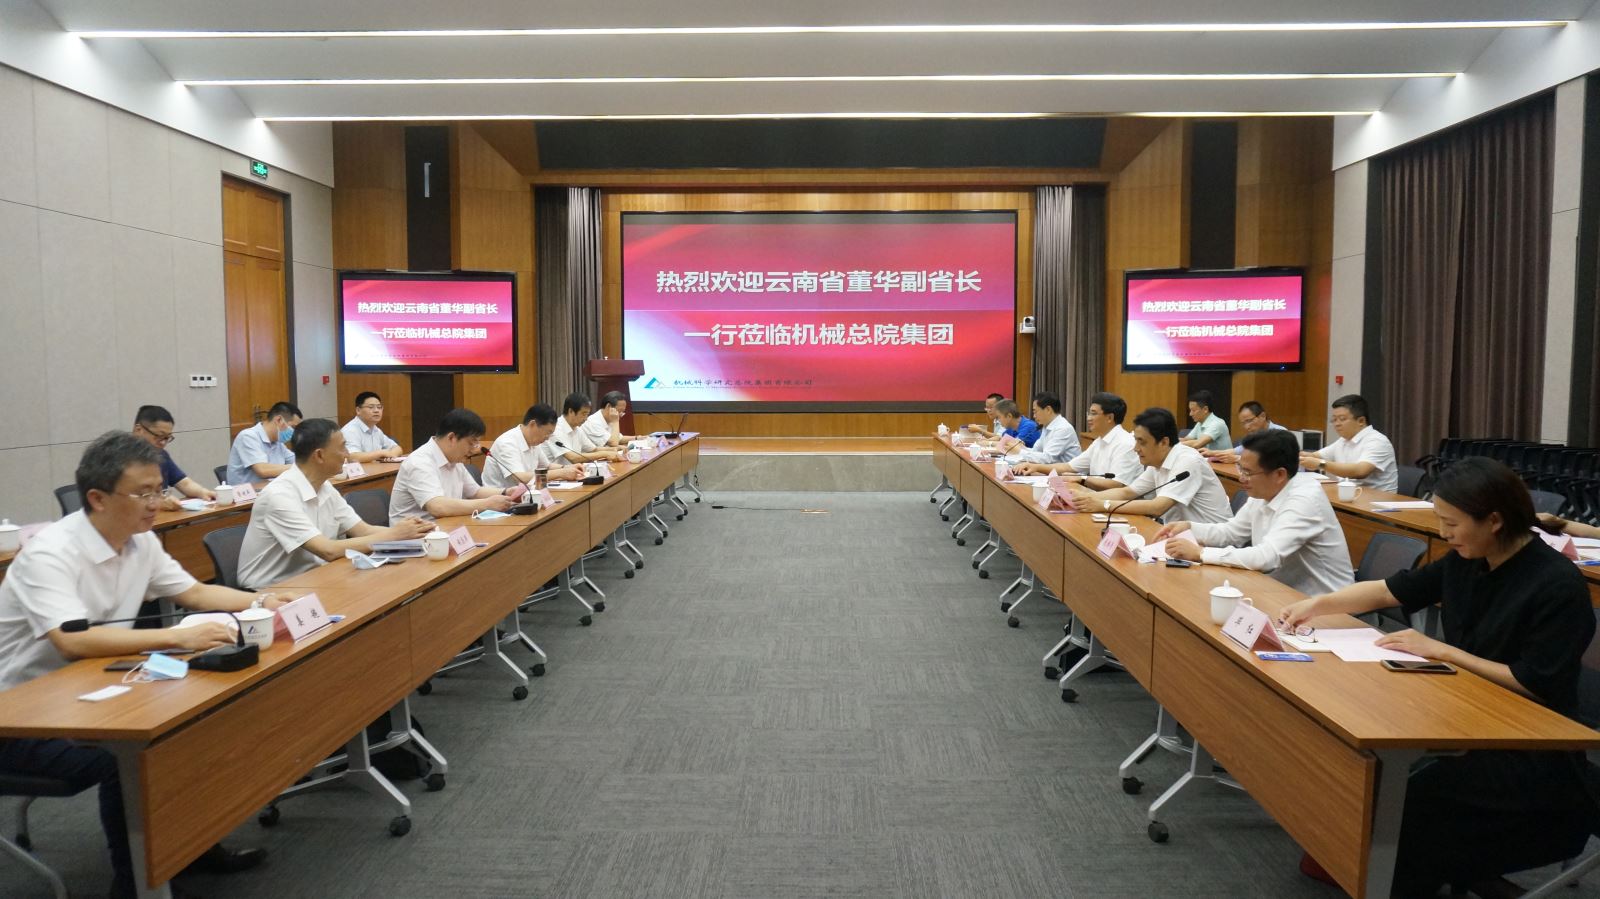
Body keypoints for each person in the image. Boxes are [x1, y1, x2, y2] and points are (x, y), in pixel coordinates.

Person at [1278, 458, 1599, 898]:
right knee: (1362, 763)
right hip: (1467, 714)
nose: (1443, 533)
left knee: (1407, 799)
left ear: (1494, 521)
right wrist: (1316, 606)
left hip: (1533, 748)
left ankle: (1411, 874)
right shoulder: (1469, 559)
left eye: (1451, 523)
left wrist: (1445, 651)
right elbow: (1389, 590)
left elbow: (1535, 682)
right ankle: (1391, 868)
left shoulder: (1556, 584)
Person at [0, 432, 278, 898]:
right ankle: (134, 887)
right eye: (143, 493)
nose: (157, 503)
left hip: (90, 691)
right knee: (130, 756)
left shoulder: (139, 541)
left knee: (194, 724)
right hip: (22, 716)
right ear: (98, 498)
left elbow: (194, 593)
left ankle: (189, 849)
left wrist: (263, 600)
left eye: (159, 490)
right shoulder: (51, 553)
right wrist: (176, 636)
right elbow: (71, 641)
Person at [237, 419, 432, 589]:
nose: (347, 454)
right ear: (319, 455)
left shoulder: (325, 487)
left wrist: (415, 533)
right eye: (342, 448)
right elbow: (327, 550)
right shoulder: (278, 496)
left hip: (313, 576)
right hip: (270, 589)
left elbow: (363, 531)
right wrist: (393, 535)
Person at [1155, 429, 1353, 595]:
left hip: (1327, 605)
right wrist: (1189, 527)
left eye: (1248, 472)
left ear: (1279, 474)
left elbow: (1267, 557)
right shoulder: (1264, 491)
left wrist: (1201, 553)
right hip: (1281, 590)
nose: (1241, 478)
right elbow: (1232, 532)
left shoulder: (1304, 501)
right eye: (1240, 469)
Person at [1067, 407, 1231, 524]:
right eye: (1136, 441)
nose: (1136, 448)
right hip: (1182, 537)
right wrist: (1085, 498)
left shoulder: (1187, 461)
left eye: (1142, 442)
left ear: (1164, 442)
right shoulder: (1158, 460)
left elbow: (1157, 507)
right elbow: (1127, 492)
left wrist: (1103, 504)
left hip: (1212, 544)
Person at [389, 408, 519, 523]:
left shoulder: (454, 459)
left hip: (444, 529)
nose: (474, 449)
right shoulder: (419, 462)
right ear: (452, 438)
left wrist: (506, 492)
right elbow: (437, 507)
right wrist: (486, 504)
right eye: (471, 443)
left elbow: (475, 492)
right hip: (413, 538)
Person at [1015, 391, 1143, 490]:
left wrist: (1082, 478)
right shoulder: (1098, 442)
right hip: (1097, 498)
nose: (1088, 418)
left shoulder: (1125, 443)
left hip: (1118, 507)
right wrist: (1035, 466)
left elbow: (1116, 484)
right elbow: (1069, 466)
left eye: (1093, 413)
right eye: (1089, 413)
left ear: (1109, 418)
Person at [1298, 394, 1398, 493]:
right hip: (1349, 495)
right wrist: (1300, 456)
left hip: (1376, 500)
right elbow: (1315, 457)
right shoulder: (1343, 440)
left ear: (1361, 421)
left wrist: (1320, 464)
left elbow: (1360, 471)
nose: (1337, 424)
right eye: (1334, 420)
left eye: (1342, 419)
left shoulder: (1377, 441)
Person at [131, 405, 216, 510]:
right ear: (138, 430)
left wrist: (203, 492)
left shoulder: (161, 455)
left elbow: (184, 483)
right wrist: (159, 502)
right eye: (158, 436)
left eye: (167, 438)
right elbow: (124, 499)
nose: (163, 443)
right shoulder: (120, 458)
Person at [484, 404, 585, 489]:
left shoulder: (533, 441)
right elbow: (520, 478)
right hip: (499, 499)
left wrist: (568, 468)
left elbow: (547, 466)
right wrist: (561, 473)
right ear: (533, 424)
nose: (547, 438)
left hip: (526, 495)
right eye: (547, 432)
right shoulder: (507, 443)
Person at [225, 400, 302, 487]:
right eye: (293, 427)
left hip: (271, 490)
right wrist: (295, 467)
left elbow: (298, 461)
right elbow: (263, 470)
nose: (294, 432)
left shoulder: (278, 442)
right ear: (279, 420)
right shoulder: (248, 436)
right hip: (248, 494)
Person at [1202, 400, 1288, 463]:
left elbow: (1274, 461)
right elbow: (1237, 451)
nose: (1247, 427)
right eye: (1243, 423)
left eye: (1249, 421)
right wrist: (1211, 453)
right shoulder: (1255, 435)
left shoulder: (1280, 433)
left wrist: (1238, 459)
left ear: (1262, 416)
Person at [549, 393, 623, 465]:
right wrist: (605, 454)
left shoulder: (577, 429)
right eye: (584, 414)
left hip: (573, 471)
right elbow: (573, 458)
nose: (586, 418)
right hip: (557, 472)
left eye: (587, 414)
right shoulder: (556, 429)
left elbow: (594, 449)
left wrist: (615, 449)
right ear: (571, 411)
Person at [1015, 391, 1081, 466]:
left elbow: (1048, 458)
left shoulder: (1063, 429)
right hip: (1053, 470)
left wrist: (1019, 451)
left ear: (1048, 410)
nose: (1034, 416)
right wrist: (1021, 448)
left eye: (1035, 411)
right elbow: (1036, 451)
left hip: (1068, 472)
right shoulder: (1046, 426)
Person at [341, 391, 403, 463]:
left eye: (379, 407)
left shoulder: (376, 430)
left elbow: (397, 448)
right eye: (371, 407)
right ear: (358, 410)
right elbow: (352, 457)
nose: (376, 410)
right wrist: (381, 453)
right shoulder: (350, 430)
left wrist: (391, 455)